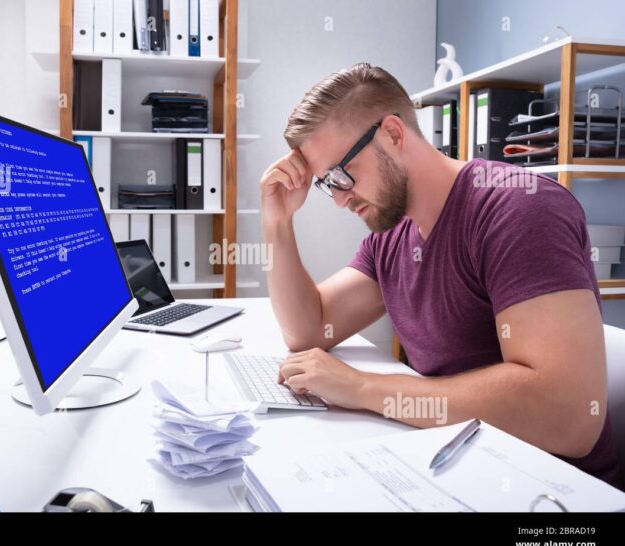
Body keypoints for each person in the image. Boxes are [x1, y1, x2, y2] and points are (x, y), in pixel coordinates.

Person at [260, 62, 620, 485]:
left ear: (393, 134)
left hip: (554, 490)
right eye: (326, 183)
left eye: (341, 175)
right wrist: (277, 224)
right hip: (458, 465)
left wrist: (362, 389)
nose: (339, 200)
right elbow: (310, 328)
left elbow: (569, 417)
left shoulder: (519, 210)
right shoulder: (393, 232)